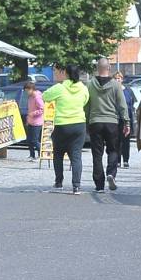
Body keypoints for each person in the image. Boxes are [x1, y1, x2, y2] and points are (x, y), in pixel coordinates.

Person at [42, 64, 89, 194]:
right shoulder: (83, 89)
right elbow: (85, 101)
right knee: (76, 156)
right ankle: (76, 186)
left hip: (62, 125)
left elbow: (45, 96)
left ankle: (59, 182)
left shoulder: (60, 88)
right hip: (79, 124)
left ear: (66, 74)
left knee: (58, 153)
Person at [86, 59, 130, 191]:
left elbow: (86, 105)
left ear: (96, 68)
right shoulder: (116, 85)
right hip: (112, 122)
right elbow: (123, 105)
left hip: (95, 122)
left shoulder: (89, 84)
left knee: (97, 154)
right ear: (109, 68)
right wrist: (126, 122)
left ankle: (99, 185)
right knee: (113, 150)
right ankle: (111, 173)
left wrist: (87, 120)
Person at [114, 71, 136, 168]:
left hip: (126, 118)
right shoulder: (112, 90)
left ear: (122, 80)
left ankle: (126, 160)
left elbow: (132, 103)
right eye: (115, 78)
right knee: (116, 140)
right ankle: (117, 160)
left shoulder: (128, 90)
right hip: (116, 118)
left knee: (126, 140)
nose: (117, 80)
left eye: (119, 78)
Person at [24, 81, 44, 161]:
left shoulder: (37, 97)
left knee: (34, 140)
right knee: (29, 140)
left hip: (37, 122)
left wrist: (33, 113)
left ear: (31, 89)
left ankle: (41, 154)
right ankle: (32, 155)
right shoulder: (30, 97)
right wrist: (28, 119)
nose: (26, 92)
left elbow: (42, 109)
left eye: (27, 90)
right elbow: (29, 109)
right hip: (30, 121)